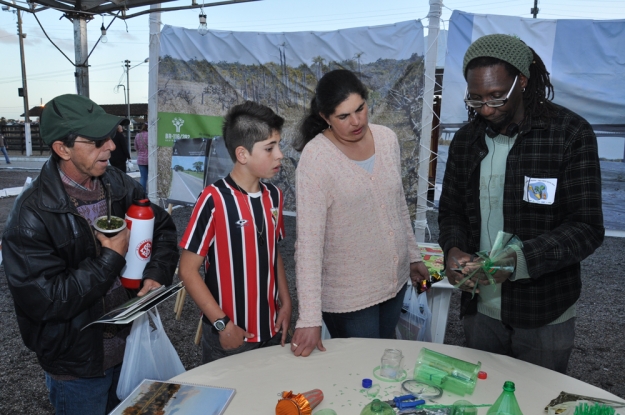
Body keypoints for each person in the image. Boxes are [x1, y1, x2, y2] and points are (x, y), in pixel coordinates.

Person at [2, 94, 180, 415]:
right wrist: (111, 259)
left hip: (130, 349)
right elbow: (46, 301)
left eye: (110, 136)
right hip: (77, 368)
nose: (111, 146)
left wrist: (157, 273)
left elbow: (163, 228)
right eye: (98, 140)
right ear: (63, 149)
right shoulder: (31, 214)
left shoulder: (117, 183)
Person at [438, 34, 604, 373]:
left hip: (544, 310)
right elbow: (452, 210)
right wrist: (453, 249)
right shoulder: (466, 140)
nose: (485, 108)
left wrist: (519, 260)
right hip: (481, 309)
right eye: (476, 98)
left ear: (522, 82)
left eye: (497, 97)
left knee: (538, 402)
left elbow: (586, 227)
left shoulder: (569, 134)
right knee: (481, 396)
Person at [290, 69, 429, 357]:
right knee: (361, 368)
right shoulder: (316, 160)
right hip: (350, 297)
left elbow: (397, 202)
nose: (356, 121)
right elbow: (309, 245)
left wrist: (413, 256)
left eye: (360, 109)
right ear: (324, 117)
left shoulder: (387, 139)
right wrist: (310, 318)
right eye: (343, 116)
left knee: (385, 357)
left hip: (395, 281)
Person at [178, 101, 291, 364]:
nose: (280, 155)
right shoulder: (213, 199)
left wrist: (286, 304)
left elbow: (274, 253)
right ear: (242, 154)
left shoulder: (274, 196)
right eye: (270, 148)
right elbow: (187, 270)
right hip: (230, 336)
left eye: (279, 145)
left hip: (272, 329)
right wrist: (222, 325)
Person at [135, 123, 149, 191]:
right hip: (150, 159)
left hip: (140, 159)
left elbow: (136, 147)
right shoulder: (150, 135)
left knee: (143, 177)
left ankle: (142, 193)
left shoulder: (138, 135)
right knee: (152, 178)